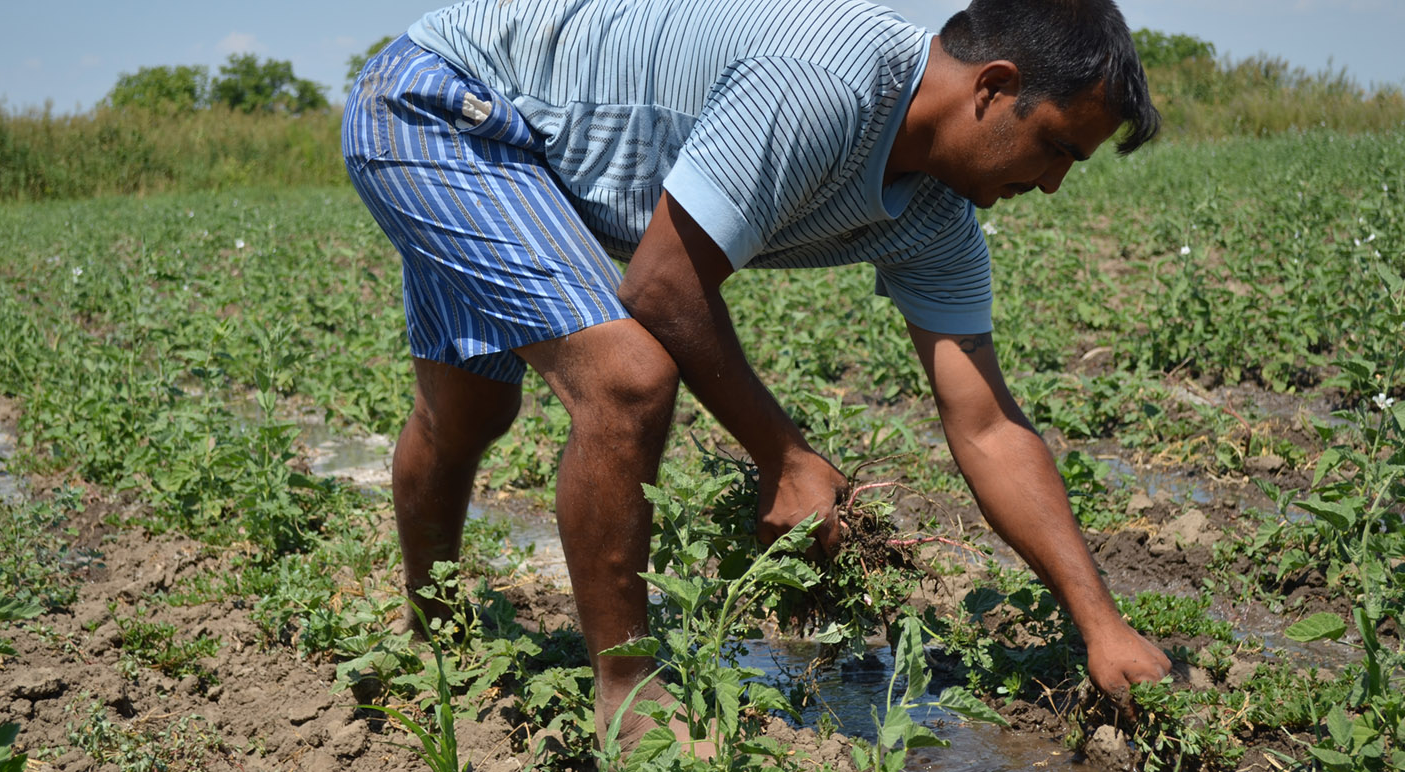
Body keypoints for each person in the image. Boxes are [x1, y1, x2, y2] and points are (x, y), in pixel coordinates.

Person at [341, 0, 1172, 755]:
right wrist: (785, 455)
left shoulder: (937, 215)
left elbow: (987, 424)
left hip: (532, 163)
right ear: (994, 87)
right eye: (1058, 146)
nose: (1055, 182)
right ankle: (626, 697)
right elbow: (662, 284)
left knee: (469, 408)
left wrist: (1103, 626)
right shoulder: (831, 83)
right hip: (440, 103)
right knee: (625, 378)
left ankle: (434, 637)